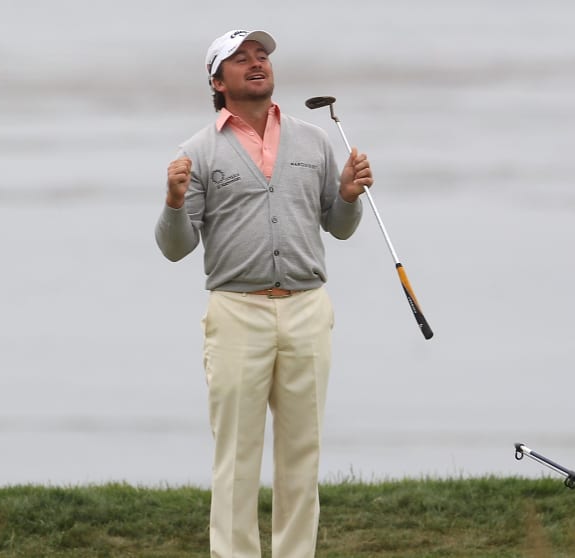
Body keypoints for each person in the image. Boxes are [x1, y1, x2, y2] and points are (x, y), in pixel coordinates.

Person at [154, 29, 373, 558]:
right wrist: (174, 199)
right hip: (236, 313)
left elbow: (339, 227)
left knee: (303, 453)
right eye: (241, 58)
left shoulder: (315, 139)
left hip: (307, 309)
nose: (257, 63)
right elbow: (175, 247)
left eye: (262, 56)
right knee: (236, 457)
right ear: (217, 80)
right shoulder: (197, 151)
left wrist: (346, 195)